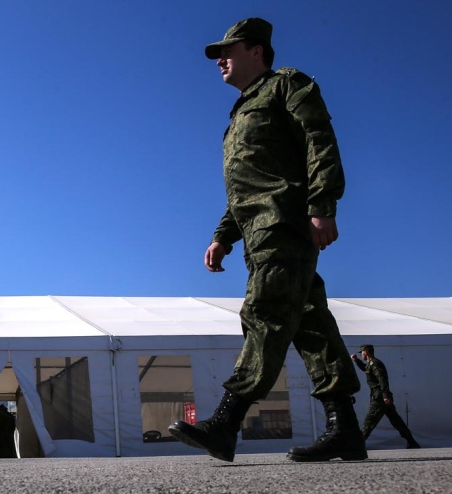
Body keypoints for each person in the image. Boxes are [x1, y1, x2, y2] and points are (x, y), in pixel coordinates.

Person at [168, 18, 366, 463]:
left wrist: (323, 204)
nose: (220, 59)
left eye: (229, 50)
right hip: (260, 232)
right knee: (310, 323)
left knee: (264, 312)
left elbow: (320, 138)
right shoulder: (239, 111)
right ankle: (346, 429)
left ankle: (226, 422)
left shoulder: (285, 85)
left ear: (257, 51)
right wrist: (223, 237)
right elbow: (247, 187)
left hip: (284, 227)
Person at [352, 345, 420, 448]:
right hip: (381, 396)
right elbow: (366, 369)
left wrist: (385, 395)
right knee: (397, 421)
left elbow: (382, 379)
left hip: (379, 398)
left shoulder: (375, 363)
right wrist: (357, 361)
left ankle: (357, 447)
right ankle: (412, 442)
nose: (361, 354)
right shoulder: (371, 364)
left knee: (369, 421)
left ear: (366, 351)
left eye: (361, 352)